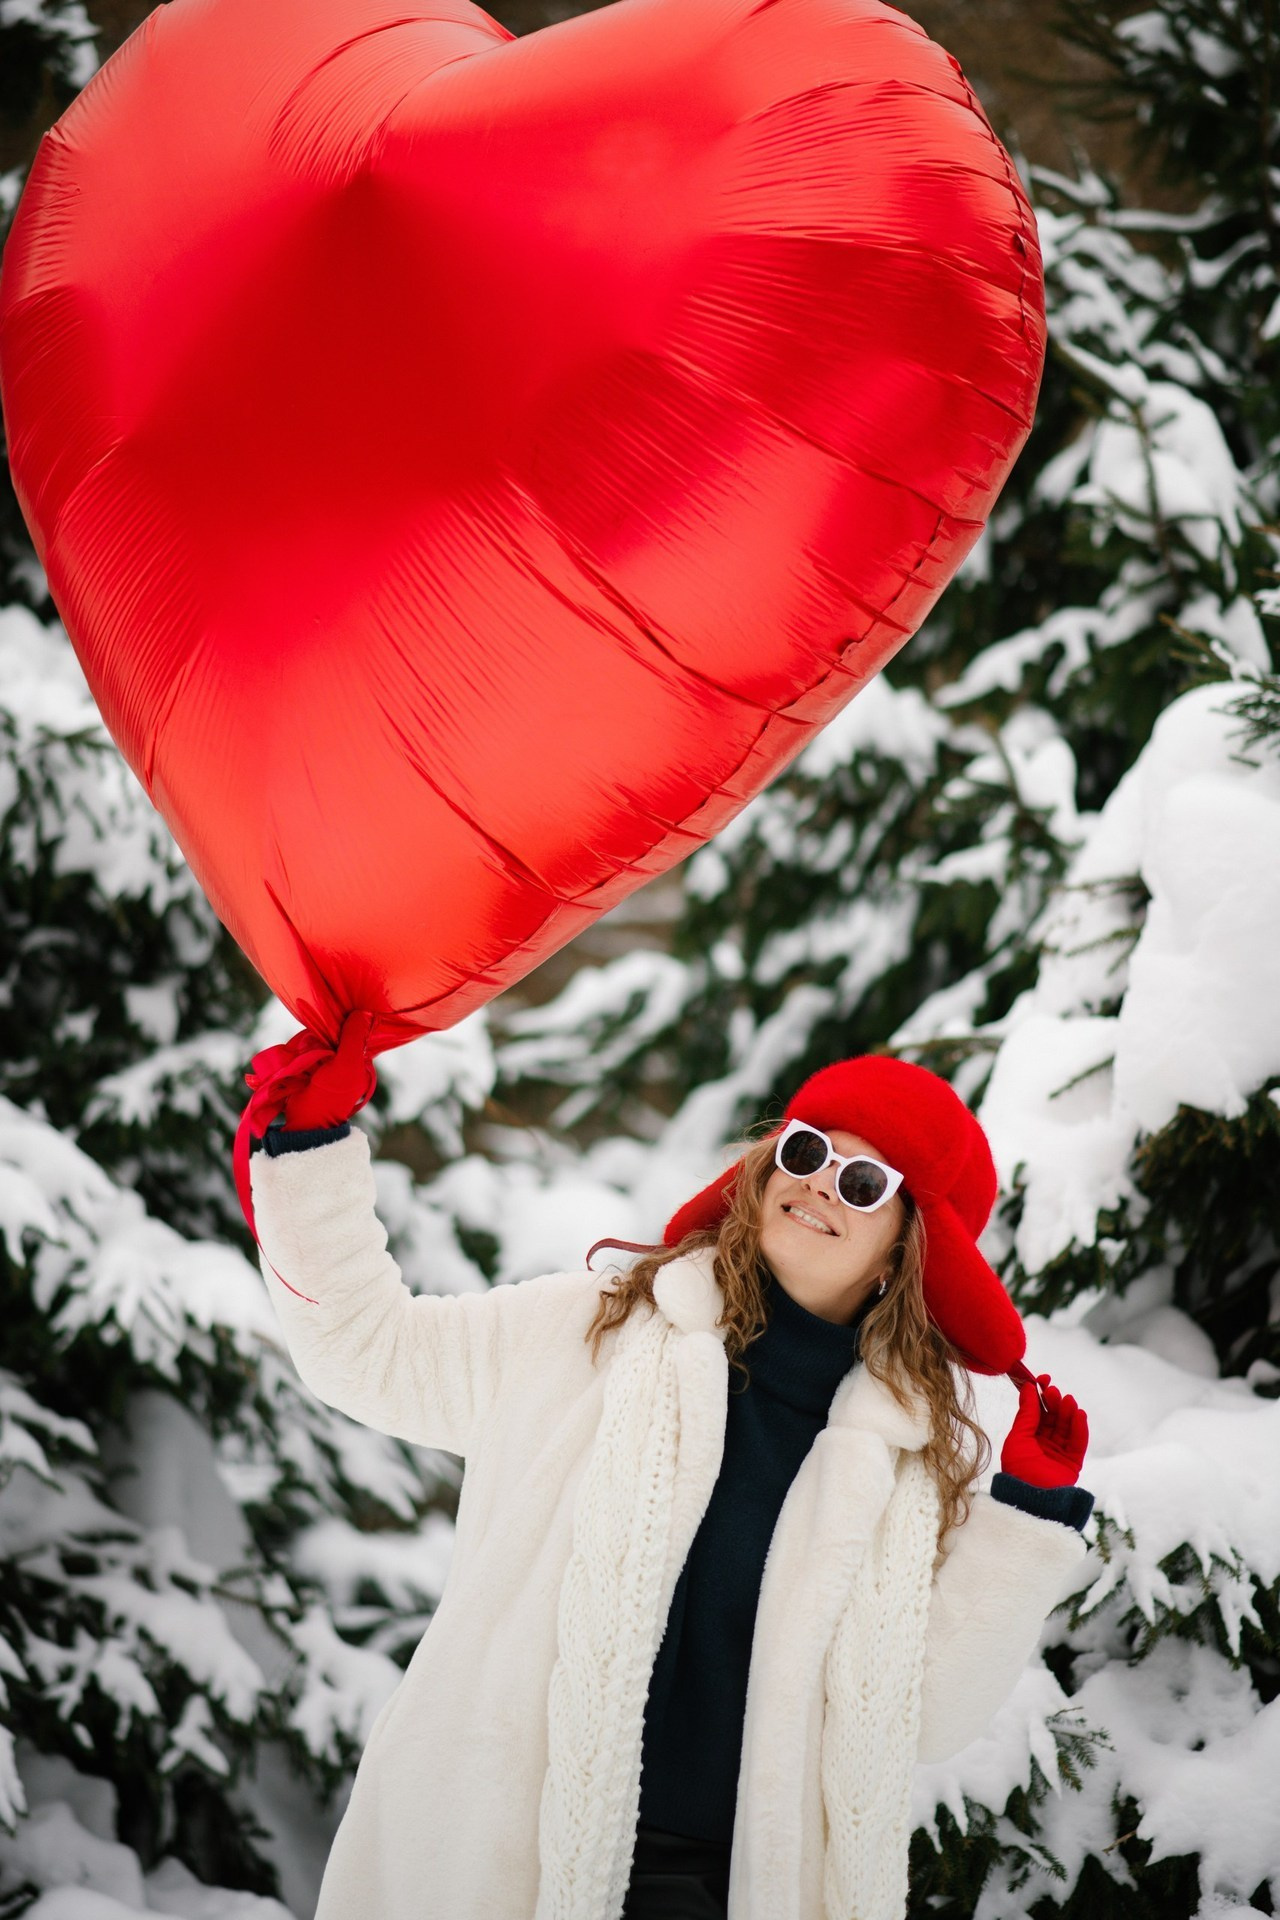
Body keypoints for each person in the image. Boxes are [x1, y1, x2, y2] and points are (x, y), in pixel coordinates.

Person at [242, 1023, 1093, 1920]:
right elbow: (369, 1353)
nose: (818, 1184)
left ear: (903, 1249)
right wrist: (311, 1151)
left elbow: (923, 1715)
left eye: (863, 1181)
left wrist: (1028, 1519)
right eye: (805, 1151)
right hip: (494, 1856)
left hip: (717, 1890)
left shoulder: (905, 1473)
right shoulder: (593, 1330)